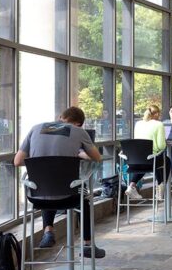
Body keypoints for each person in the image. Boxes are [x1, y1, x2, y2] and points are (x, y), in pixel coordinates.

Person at [13, 106, 105, 258]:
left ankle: (48, 230)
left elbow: (17, 161)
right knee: (85, 198)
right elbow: (97, 158)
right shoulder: (78, 131)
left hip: (37, 196)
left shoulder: (36, 128)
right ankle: (88, 245)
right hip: (68, 196)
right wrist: (80, 153)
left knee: (48, 185)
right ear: (78, 123)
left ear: (61, 117)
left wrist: (42, 163)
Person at [126, 105, 171, 200]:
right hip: (150, 161)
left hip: (135, 161)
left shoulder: (138, 123)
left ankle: (131, 186)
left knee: (148, 161)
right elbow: (161, 146)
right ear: (157, 114)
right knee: (165, 160)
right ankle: (160, 187)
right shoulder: (159, 124)